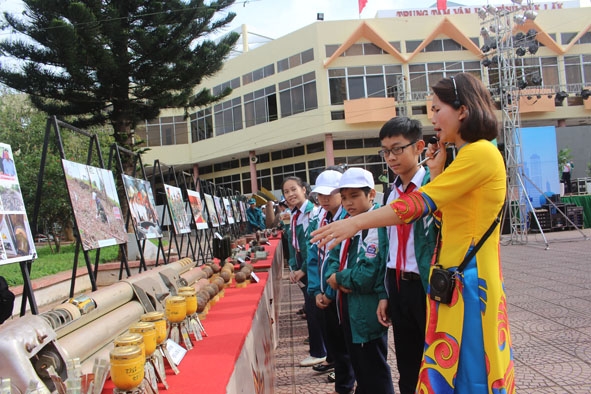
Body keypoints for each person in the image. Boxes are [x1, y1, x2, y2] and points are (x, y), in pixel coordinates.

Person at [312, 73, 514, 394]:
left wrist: (357, 222)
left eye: (437, 109)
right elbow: (443, 220)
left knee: (469, 368)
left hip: (468, 281)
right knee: (448, 368)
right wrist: (436, 173)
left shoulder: (480, 153)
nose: (433, 117)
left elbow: (417, 205)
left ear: (462, 110)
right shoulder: (466, 156)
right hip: (453, 280)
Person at [376, 117, 438, 394]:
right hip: (398, 286)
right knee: (407, 365)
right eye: (386, 151)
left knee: (437, 361)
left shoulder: (435, 186)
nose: (391, 157)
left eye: (398, 148)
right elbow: (386, 248)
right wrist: (385, 292)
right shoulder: (392, 193)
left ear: (419, 147)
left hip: (428, 286)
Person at [324, 167, 394, 394]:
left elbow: (367, 274)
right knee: (360, 369)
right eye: (344, 197)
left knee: (374, 372)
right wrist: (333, 278)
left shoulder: (374, 226)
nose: (348, 203)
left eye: (354, 196)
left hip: (366, 312)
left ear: (371, 194)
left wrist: (338, 278)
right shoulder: (347, 222)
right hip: (347, 312)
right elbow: (332, 257)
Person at [307, 169, 356, 394]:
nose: (324, 199)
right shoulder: (322, 217)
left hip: (340, 291)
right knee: (335, 343)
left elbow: (339, 260)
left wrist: (328, 291)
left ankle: (345, 385)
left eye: (330, 194)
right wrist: (317, 289)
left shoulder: (349, 218)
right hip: (325, 292)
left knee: (346, 346)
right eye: (320, 195)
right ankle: (343, 384)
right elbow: (317, 256)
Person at [283, 176, 327, 367]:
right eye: (286, 191)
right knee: (311, 309)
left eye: (294, 189)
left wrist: (302, 269)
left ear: (304, 190)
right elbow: (293, 243)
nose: (290, 194)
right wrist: (293, 266)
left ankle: (319, 352)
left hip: (312, 266)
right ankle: (321, 348)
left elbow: (312, 245)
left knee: (314, 309)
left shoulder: (313, 213)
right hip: (302, 265)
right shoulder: (294, 214)